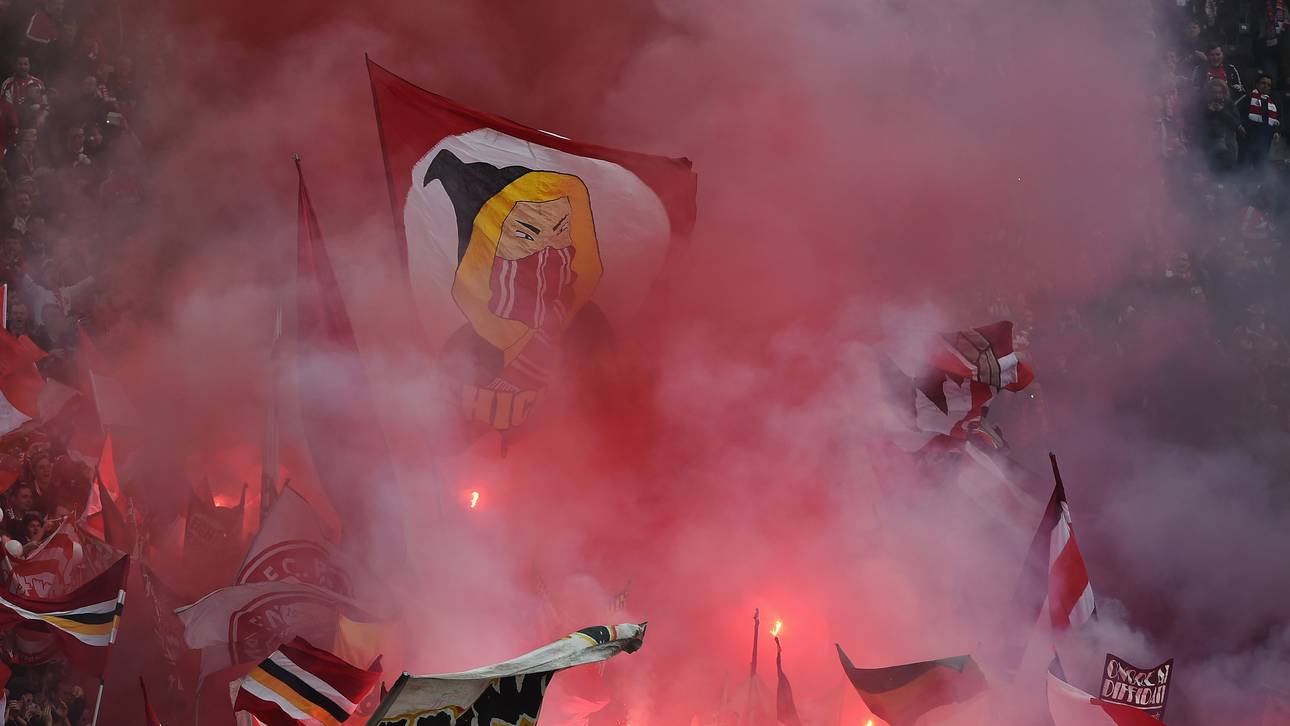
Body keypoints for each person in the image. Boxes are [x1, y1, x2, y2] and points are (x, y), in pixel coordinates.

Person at [1197, 79, 1243, 171]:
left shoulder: (1229, 104)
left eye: (1219, 92)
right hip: (1208, 146)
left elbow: (1236, 125)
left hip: (1228, 146)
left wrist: (1222, 111)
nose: (1217, 95)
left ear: (1224, 93)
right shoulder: (1203, 105)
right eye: (1214, 92)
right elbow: (1197, 123)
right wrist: (1209, 111)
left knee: (1226, 174)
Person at [1236, 74, 1281, 168]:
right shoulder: (1247, 97)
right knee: (1244, 168)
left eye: (1269, 85)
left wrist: (1276, 131)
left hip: (1264, 141)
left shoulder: (1272, 103)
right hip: (1247, 139)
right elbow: (1235, 112)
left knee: (1260, 169)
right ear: (1256, 84)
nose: (1266, 86)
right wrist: (1239, 125)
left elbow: (1276, 119)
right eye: (1263, 83)